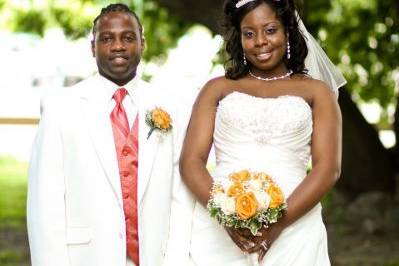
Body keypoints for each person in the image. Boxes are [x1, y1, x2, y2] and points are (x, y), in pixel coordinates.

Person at [174, 0, 342, 265]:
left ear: (287, 31)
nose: (260, 41)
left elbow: (328, 168)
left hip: (295, 226)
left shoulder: (317, 92)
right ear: (239, 39)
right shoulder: (216, 89)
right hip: (220, 227)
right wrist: (227, 218)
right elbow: (190, 162)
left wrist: (276, 225)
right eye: (249, 34)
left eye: (270, 30)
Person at [27, 3, 193, 266]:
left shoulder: (173, 106)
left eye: (128, 38)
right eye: (107, 39)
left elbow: (181, 199)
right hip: (85, 258)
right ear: (92, 47)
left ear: (143, 43)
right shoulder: (60, 108)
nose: (118, 46)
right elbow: (45, 206)